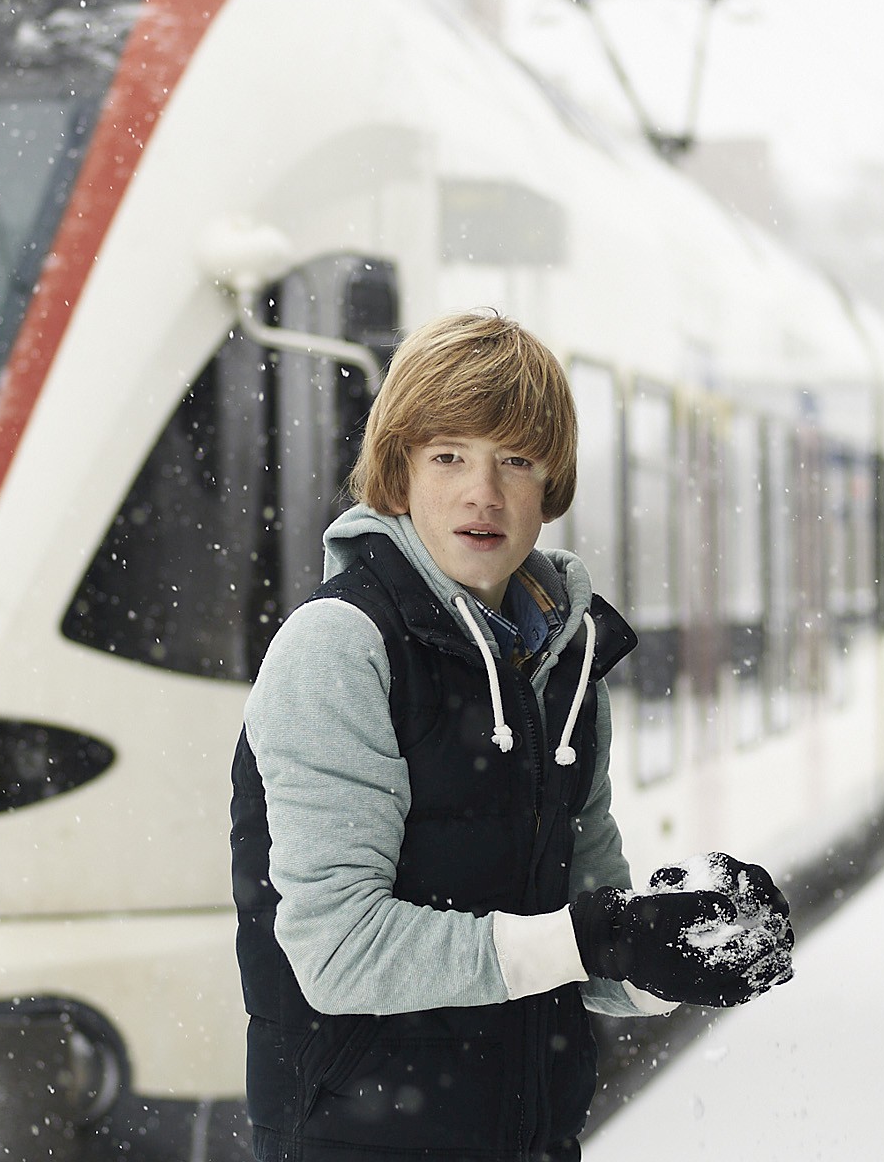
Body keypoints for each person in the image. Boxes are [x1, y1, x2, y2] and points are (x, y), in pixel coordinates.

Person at [231, 311, 794, 1161]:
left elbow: (582, 934)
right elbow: (340, 951)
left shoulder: (563, 663)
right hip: (358, 1143)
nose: (483, 494)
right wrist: (593, 934)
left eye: (517, 462)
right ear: (396, 474)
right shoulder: (340, 647)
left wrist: (682, 948)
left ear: (551, 485)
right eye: (448, 456)